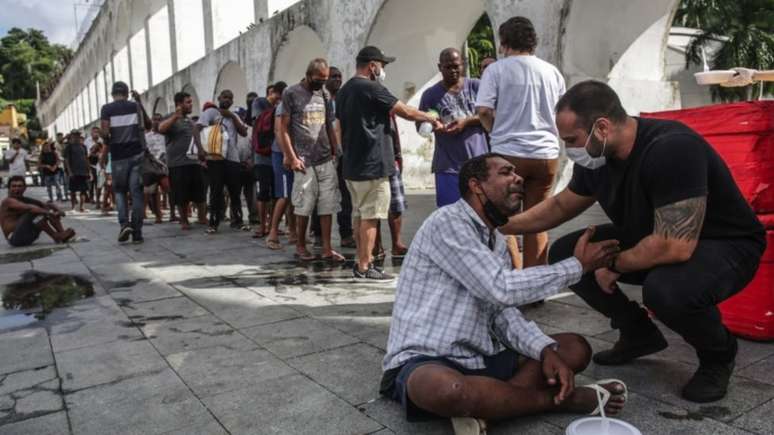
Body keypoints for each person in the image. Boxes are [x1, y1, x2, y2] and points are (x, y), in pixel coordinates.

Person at [502, 80, 767, 403]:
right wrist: (500, 224)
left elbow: (675, 245)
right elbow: (560, 206)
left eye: (571, 140)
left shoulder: (671, 148)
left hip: (726, 244)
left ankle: (718, 355)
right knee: (566, 253)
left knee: (665, 289)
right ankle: (638, 333)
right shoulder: (597, 157)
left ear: (601, 127)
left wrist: (612, 264)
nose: (569, 148)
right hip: (652, 234)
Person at [380, 154, 626, 432]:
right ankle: (560, 400)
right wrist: (577, 266)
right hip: (428, 358)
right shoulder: (447, 221)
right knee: (446, 390)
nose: (518, 178)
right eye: (506, 172)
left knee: (574, 348)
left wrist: (544, 349)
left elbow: (502, 312)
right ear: (476, 186)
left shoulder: (495, 241)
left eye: (517, 174)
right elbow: (500, 288)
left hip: (481, 356)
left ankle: (490, 406)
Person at [336, 46, 442, 280]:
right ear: (372, 66)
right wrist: (430, 118)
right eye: (382, 66)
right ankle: (366, 265)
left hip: (352, 165)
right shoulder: (373, 88)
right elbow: (404, 111)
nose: (383, 71)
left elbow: (338, 127)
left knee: (360, 214)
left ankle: (359, 261)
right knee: (371, 216)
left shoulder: (344, 91)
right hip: (373, 165)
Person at [476, 16, 566, 270]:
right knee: (537, 219)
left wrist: (496, 131)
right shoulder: (552, 72)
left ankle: (515, 279)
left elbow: (484, 111)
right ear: (532, 42)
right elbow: (563, 113)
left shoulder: (497, 70)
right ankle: (536, 282)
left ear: (504, 43)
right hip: (546, 155)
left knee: (505, 219)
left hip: (508, 153)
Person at [279, 59, 345, 262]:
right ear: (309, 75)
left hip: (325, 158)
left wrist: (336, 151)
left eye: (325, 79)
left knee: (327, 205)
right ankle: (300, 245)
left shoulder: (324, 94)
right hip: (303, 160)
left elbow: (328, 125)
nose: (323, 83)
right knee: (304, 205)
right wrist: (291, 157)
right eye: (319, 79)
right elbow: (283, 129)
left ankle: (326, 248)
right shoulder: (291, 93)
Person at [419, 47, 489, 207]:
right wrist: (433, 124)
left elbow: (493, 115)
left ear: (462, 64)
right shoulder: (430, 95)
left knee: (482, 213)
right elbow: (421, 125)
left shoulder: (477, 87)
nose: (453, 70)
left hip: (478, 163)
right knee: (449, 214)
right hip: (448, 167)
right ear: (439, 67)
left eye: (456, 66)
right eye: (447, 67)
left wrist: (467, 121)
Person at [100, 82, 152, 244]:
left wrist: (108, 139)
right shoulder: (135, 106)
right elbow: (149, 125)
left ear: (112, 94)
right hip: (137, 154)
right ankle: (137, 232)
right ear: (127, 93)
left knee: (120, 191)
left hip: (118, 157)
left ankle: (124, 225)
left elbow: (105, 132)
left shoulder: (107, 109)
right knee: (136, 193)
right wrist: (139, 103)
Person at [194, 89, 248, 234]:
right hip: (215, 158)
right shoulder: (211, 113)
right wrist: (200, 149)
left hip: (233, 159)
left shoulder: (234, 115)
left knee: (235, 191)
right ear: (219, 98)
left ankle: (238, 221)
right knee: (216, 191)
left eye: (230, 98)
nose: (227, 100)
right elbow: (196, 128)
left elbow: (243, 132)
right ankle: (213, 223)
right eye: (225, 97)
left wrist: (232, 116)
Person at [158, 91, 208, 231]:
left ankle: (202, 217)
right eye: (188, 102)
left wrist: (201, 153)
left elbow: (196, 137)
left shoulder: (190, 120)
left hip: (194, 162)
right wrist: (175, 116)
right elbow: (161, 129)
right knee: (181, 194)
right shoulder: (170, 117)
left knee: (199, 191)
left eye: (191, 102)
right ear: (179, 104)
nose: (191, 104)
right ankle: (184, 220)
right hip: (177, 164)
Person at [265, 81, 299, 250]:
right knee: (284, 195)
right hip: (281, 155)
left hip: (292, 154)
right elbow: (279, 132)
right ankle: (272, 233)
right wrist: (286, 154)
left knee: (292, 195)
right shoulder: (282, 107)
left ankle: (293, 232)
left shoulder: (296, 104)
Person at [1, 176, 75, 247]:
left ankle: (62, 233)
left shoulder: (24, 199)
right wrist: (50, 213)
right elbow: (30, 208)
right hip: (15, 239)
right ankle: (55, 236)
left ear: (24, 188)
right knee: (36, 212)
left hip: (28, 236)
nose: (16, 188)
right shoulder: (8, 201)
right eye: (14, 186)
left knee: (43, 209)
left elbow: (47, 205)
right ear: (9, 188)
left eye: (19, 186)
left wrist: (58, 211)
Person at [144, 113, 168, 223]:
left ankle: (172, 213)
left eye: (159, 119)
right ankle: (158, 215)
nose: (157, 121)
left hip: (165, 166)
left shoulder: (166, 135)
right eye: (155, 119)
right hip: (151, 166)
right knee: (152, 192)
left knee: (168, 189)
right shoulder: (146, 136)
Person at [62, 130, 91, 213]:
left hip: (83, 171)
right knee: (73, 190)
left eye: (78, 135)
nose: (76, 137)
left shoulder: (83, 146)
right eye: (74, 135)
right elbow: (66, 160)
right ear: (71, 136)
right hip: (74, 172)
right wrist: (70, 171)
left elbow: (86, 159)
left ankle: (82, 207)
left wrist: (89, 171)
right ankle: (73, 207)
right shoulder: (69, 147)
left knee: (83, 190)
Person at [54, 132, 70, 200]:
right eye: (59, 137)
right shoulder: (55, 144)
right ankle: (59, 196)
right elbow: (61, 151)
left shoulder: (64, 144)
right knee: (57, 182)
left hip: (64, 165)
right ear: (57, 138)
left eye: (61, 137)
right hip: (58, 166)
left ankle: (66, 196)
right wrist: (65, 138)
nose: (61, 138)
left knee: (66, 182)